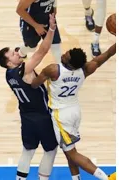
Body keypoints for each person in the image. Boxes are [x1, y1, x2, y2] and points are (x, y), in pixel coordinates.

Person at [0, 14, 71, 180]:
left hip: (26, 116)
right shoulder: (23, 70)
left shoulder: (8, 75)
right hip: (42, 116)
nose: (17, 53)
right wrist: (51, 29)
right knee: (50, 150)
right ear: (9, 63)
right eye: (13, 54)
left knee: (28, 151)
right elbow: (42, 51)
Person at [31, 43, 116, 180]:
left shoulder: (53, 70)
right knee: (69, 150)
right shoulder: (86, 69)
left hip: (61, 115)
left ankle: (107, 178)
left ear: (70, 63)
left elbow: (34, 84)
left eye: (67, 55)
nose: (64, 54)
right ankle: (76, 178)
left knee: (72, 153)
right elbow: (107, 54)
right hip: (75, 111)